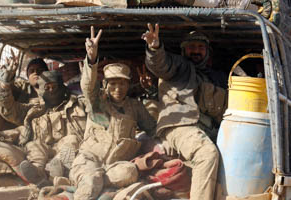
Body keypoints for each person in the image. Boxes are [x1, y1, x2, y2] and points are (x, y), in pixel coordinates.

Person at [69, 26, 157, 200]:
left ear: (129, 85)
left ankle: (99, 180)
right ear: (106, 86)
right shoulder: (97, 102)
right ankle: (87, 179)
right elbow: (87, 86)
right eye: (113, 84)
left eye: (122, 84)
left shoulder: (135, 107)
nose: (118, 88)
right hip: (90, 159)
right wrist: (92, 59)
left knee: (130, 172)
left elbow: (153, 128)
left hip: (114, 167)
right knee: (91, 181)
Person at [141, 23, 228, 200]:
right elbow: (160, 64)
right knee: (206, 153)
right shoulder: (179, 67)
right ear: (183, 51)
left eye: (200, 47)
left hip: (210, 130)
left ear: (207, 52)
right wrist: (155, 47)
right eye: (191, 47)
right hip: (181, 126)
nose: (196, 51)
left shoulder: (216, 77)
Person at [0, 70, 87, 186]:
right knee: (34, 145)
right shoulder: (33, 110)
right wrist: (4, 85)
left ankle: (55, 173)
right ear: (42, 89)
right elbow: (8, 109)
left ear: (61, 87)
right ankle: (37, 174)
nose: (52, 90)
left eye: (54, 87)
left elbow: (92, 97)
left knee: (71, 140)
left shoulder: (76, 105)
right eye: (47, 87)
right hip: (43, 149)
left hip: (66, 153)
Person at [0, 53, 49, 131]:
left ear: (47, 73)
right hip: (15, 123)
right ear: (27, 75)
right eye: (32, 71)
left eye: (39, 70)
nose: (35, 73)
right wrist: (7, 78)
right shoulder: (22, 86)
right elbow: (8, 91)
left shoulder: (52, 89)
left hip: (38, 127)